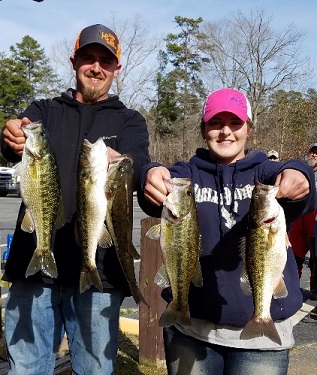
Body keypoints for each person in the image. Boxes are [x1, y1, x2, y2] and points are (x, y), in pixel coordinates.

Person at [0, 23, 150, 375]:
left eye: (105, 61)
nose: (96, 67)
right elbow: (15, 140)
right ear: (74, 61)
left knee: (96, 369)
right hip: (34, 266)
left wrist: (126, 163)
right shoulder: (45, 110)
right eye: (88, 58)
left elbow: (140, 163)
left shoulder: (130, 121)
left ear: (116, 68)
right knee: (26, 367)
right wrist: (10, 138)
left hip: (98, 269)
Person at [137, 88, 317, 375]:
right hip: (192, 330)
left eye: (235, 123)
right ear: (203, 129)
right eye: (215, 123)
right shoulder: (189, 174)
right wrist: (150, 172)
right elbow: (158, 183)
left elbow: (292, 175)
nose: (225, 132)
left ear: (249, 129)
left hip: (263, 339)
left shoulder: (264, 174)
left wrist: (300, 173)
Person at [289, 143, 317, 300]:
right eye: (312, 152)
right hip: (298, 217)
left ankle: (315, 289)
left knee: (315, 255)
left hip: (314, 217)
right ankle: (292, 285)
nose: (314, 155)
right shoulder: (299, 172)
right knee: (294, 254)